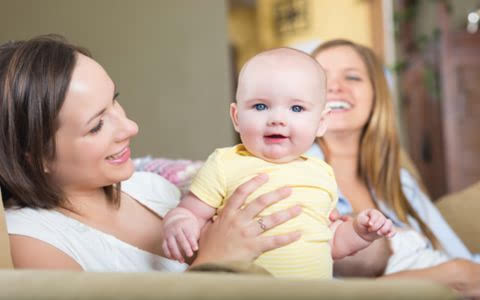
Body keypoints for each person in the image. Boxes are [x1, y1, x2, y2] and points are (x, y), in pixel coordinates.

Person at [0, 35, 303, 271]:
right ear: (35, 155)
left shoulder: (154, 188)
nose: (130, 127)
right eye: (97, 126)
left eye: (114, 101)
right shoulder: (29, 242)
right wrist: (214, 260)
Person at [162, 48, 395, 279]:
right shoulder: (225, 164)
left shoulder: (322, 173)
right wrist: (180, 221)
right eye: (260, 106)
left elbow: (330, 243)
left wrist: (359, 232)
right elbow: (191, 211)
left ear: (321, 122)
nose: (277, 120)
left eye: (296, 108)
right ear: (236, 117)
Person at [308, 39, 480, 297]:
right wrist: (449, 276)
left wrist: (456, 274)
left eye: (353, 77)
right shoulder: (292, 177)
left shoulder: (399, 180)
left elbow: (461, 262)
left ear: (378, 94)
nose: (334, 86)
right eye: (320, 79)